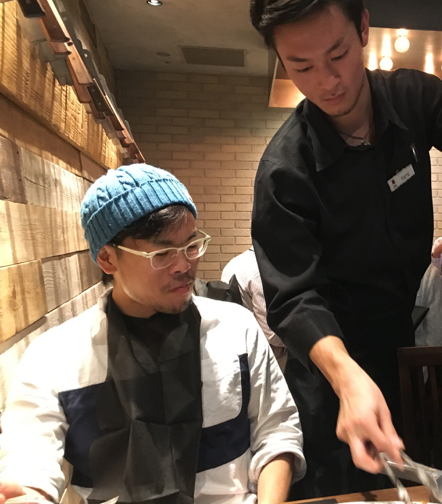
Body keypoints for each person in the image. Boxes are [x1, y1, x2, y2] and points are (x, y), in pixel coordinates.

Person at [249, 0, 442, 496]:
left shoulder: (411, 99)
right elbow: (293, 298)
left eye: (338, 55)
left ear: (363, 27)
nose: (327, 81)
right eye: (301, 66)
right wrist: (347, 378)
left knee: (405, 486)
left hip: (402, 351)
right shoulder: (285, 170)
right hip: (331, 370)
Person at [0, 164, 305, 504]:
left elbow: (277, 432)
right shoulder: (55, 357)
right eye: (162, 254)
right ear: (107, 259)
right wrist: (28, 494)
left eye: (191, 245)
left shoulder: (236, 329)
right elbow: (30, 463)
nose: (184, 265)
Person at [222, 247, 288, 370]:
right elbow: (272, 335)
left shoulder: (234, 263)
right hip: (262, 360)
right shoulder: (261, 271)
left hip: (233, 349)